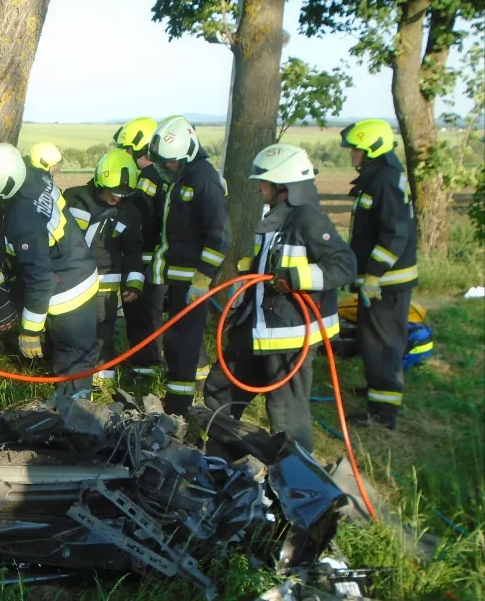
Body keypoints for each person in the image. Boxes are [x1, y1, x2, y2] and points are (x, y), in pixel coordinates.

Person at [203, 144, 356, 452]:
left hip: (289, 336)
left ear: (283, 186)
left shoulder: (307, 220)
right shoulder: (276, 219)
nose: (259, 188)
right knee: (220, 387)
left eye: (264, 182)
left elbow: (344, 265)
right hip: (258, 326)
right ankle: (222, 460)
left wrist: (295, 280)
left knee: (286, 414)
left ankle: (297, 479)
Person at [0, 142, 99, 398]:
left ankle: (80, 419)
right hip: (70, 264)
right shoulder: (32, 174)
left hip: (69, 293)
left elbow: (40, 280)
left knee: (72, 362)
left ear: (6, 190)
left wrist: (30, 332)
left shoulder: (24, 219)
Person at [146, 116, 231, 414]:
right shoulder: (183, 176)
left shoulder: (204, 180)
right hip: (180, 277)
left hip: (194, 279)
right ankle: (178, 401)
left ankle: (181, 407)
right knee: (177, 340)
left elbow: (220, 236)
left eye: (171, 163)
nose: (167, 167)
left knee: (184, 342)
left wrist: (203, 278)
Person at [340, 119, 418, 430]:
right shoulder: (378, 178)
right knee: (371, 341)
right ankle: (378, 391)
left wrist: (373, 274)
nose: (351, 155)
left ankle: (383, 415)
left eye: (356, 150)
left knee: (384, 344)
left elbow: (395, 234)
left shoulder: (384, 181)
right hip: (379, 281)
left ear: (372, 149)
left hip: (386, 282)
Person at [63, 148, 145, 381]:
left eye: (123, 193)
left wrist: (133, 283)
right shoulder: (74, 199)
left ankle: (103, 382)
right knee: (70, 329)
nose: (117, 197)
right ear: (100, 181)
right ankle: (71, 379)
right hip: (73, 280)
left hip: (106, 281)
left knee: (103, 331)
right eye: (113, 191)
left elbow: (133, 251)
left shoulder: (130, 213)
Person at [113, 116, 167, 376]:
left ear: (137, 147)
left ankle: (146, 367)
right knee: (143, 314)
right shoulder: (155, 174)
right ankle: (144, 363)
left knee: (143, 313)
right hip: (151, 256)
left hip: (147, 257)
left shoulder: (148, 178)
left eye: (125, 149)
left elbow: (142, 219)